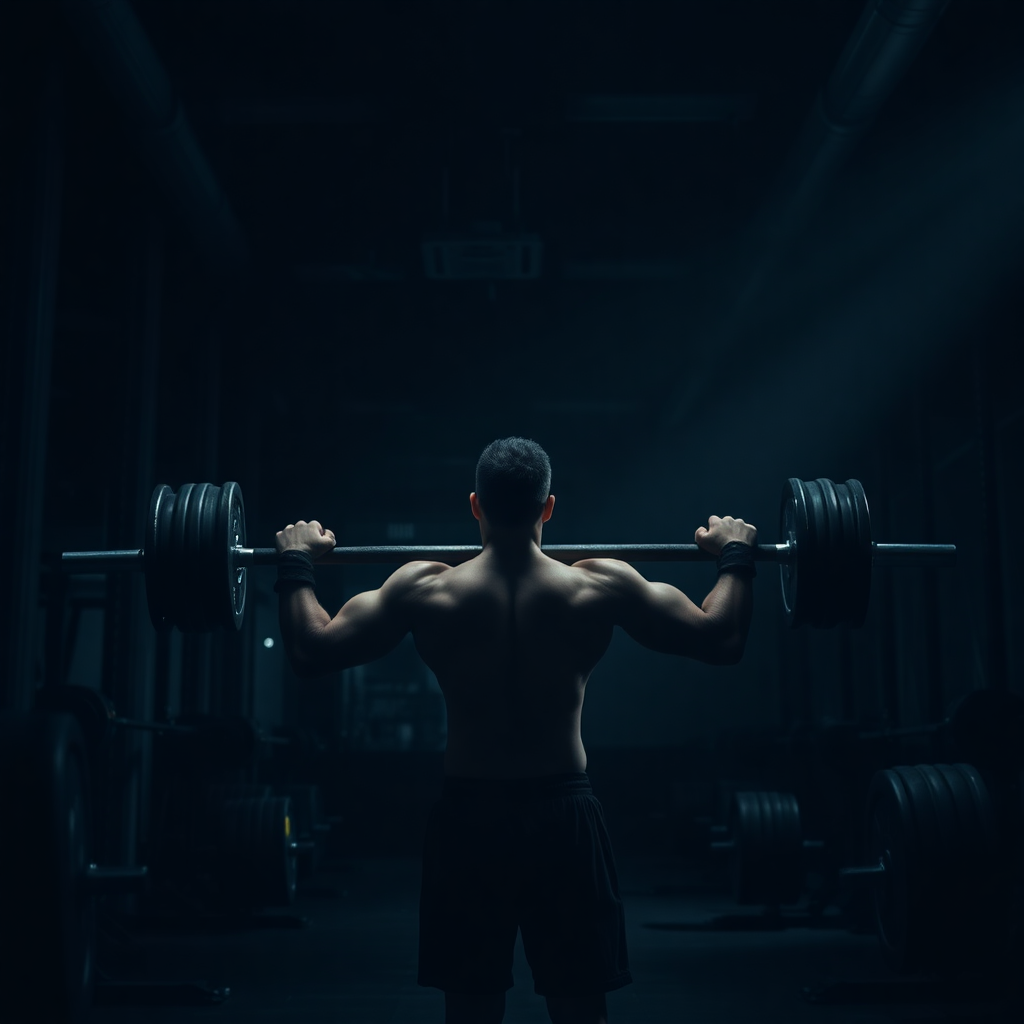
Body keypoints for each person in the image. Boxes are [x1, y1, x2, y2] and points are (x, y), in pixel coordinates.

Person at [275, 437, 757, 1024]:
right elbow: (722, 637)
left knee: (471, 1012)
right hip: (563, 817)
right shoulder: (598, 585)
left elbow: (311, 649)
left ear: (475, 505)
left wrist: (297, 560)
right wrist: (735, 552)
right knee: (581, 1011)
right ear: (548, 506)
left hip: (469, 821)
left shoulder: (424, 588)